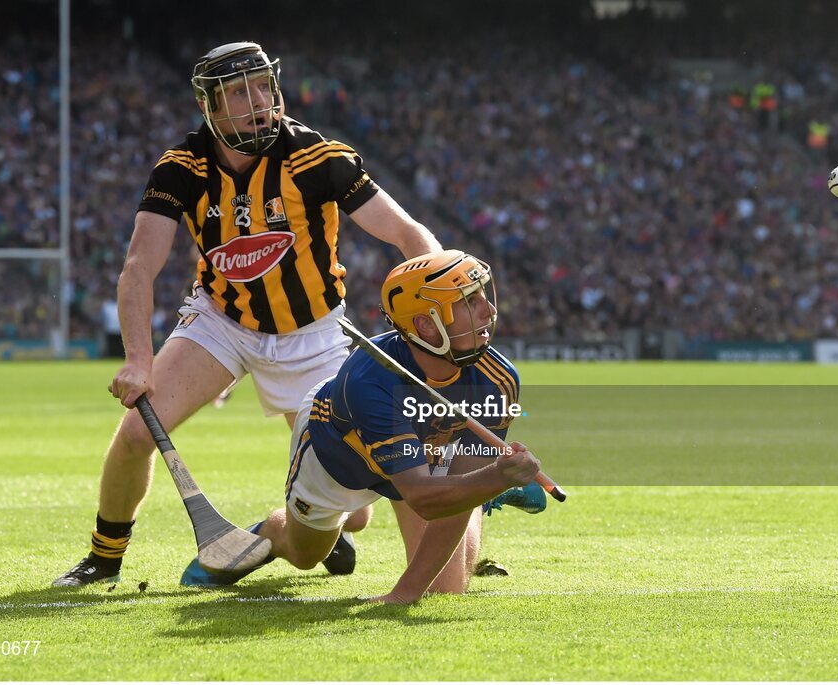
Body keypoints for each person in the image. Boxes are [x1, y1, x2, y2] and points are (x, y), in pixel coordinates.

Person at [53, 41, 441, 587]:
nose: (258, 101)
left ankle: (279, 532)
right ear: (210, 106)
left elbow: (406, 233)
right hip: (222, 322)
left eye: (263, 86)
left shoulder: (318, 158)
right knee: (138, 432)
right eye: (239, 91)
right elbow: (139, 267)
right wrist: (139, 360)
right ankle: (103, 557)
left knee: (355, 511)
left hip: (316, 334)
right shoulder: (181, 168)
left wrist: (435, 298)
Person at [180, 250, 545, 604]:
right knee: (306, 554)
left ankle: (487, 490)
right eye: (470, 302)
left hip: (424, 463)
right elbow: (423, 497)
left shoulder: (498, 379)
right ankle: (272, 533)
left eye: (483, 295)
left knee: (445, 590)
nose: (491, 310)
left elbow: (448, 491)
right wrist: (495, 478)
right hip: (338, 459)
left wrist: (485, 480)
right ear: (425, 325)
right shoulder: (369, 381)